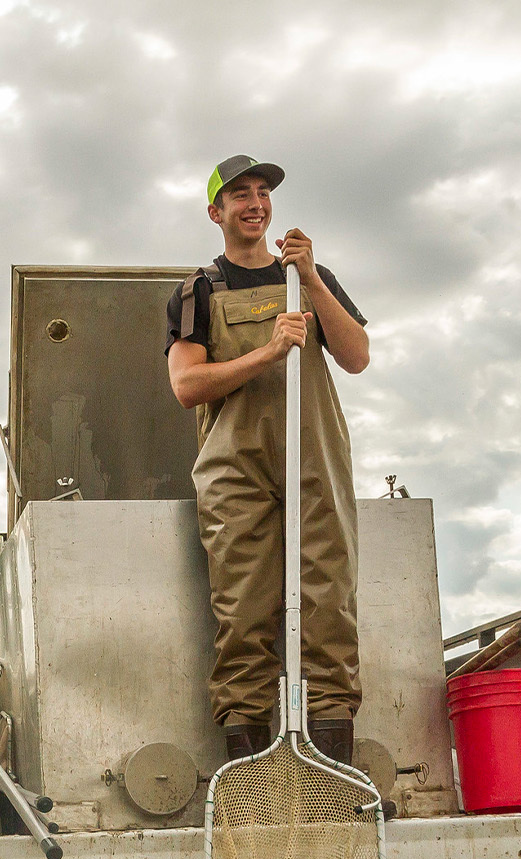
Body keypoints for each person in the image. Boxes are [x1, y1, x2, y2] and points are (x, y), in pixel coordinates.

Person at [165, 155, 370, 764]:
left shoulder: (309, 276)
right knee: (243, 616)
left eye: (262, 193)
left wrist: (308, 277)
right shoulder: (198, 289)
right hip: (235, 469)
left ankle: (331, 777)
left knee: (328, 605)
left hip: (315, 456)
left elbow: (356, 356)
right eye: (239, 196)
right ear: (216, 212)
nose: (255, 203)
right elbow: (186, 386)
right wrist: (271, 350)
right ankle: (251, 781)